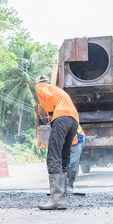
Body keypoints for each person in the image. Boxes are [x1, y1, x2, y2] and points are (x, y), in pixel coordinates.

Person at [35, 75, 79, 210]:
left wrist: (50, 113)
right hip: (74, 121)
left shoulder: (41, 87)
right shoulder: (58, 89)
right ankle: (61, 199)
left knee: (53, 156)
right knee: (63, 156)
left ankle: (57, 200)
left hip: (61, 118)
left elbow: (49, 98)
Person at [67, 125, 85, 193]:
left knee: (73, 162)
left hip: (76, 139)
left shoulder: (70, 121)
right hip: (66, 141)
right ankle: (63, 185)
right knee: (65, 162)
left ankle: (70, 185)